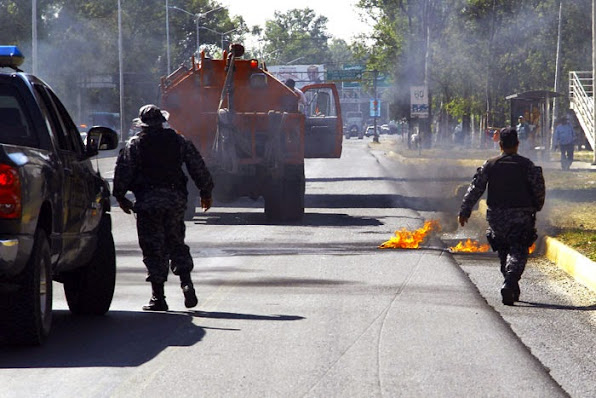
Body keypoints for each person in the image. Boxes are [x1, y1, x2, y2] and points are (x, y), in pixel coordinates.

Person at [113, 104, 214, 311]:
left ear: (143, 125)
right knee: (176, 241)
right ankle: (186, 283)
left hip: (148, 201)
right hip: (175, 200)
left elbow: (123, 172)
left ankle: (158, 297)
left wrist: (120, 196)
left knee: (153, 247)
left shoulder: (134, 145)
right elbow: (197, 165)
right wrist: (206, 191)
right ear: (162, 121)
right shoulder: (179, 141)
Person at [458, 127, 545, 305]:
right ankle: (510, 282)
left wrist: (465, 210)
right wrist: (537, 206)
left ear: (500, 144)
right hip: (521, 216)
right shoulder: (526, 165)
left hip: (496, 217)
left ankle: (511, 285)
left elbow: (475, 188)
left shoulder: (490, 164)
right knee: (518, 250)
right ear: (517, 144)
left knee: (504, 250)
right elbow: (538, 189)